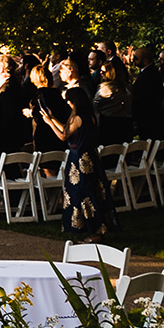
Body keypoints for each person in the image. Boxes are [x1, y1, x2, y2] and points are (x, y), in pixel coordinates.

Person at [48, 87, 119, 240]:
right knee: (93, 190)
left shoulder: (77, 118)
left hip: (78, 159)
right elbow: (69, 130)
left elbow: (63, 136)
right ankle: (98, 227)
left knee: (80, 192)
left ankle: (89, 230)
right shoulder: (90, 116)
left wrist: (49, 123)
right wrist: (52, 118)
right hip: (91, 157)